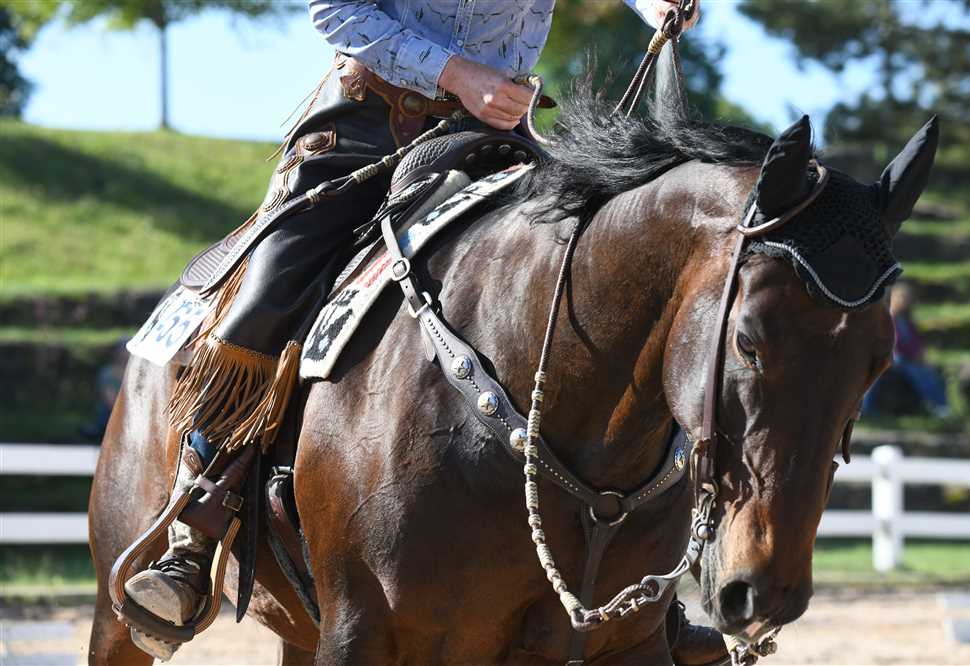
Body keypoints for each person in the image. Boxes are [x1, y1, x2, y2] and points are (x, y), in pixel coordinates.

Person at [122, 1, 716, 661]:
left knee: (602, 299)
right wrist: (457, 74)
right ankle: (195, 531)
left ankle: (646, 588)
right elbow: (335, 10)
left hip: (502, 141)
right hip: (365, 128)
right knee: (262, 302)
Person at [863, 283, 949, 417]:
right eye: (903, 298)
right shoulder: (887, 318)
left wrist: (920, 354)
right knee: (912, 370)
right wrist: (913, 356)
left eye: (907, 299)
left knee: (927, 372)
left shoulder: (906, 320)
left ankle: (940, 405)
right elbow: (892, 343)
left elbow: (915, 342)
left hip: (904, 358)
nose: (905, 302)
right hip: (891, 357)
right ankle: (865, 409)